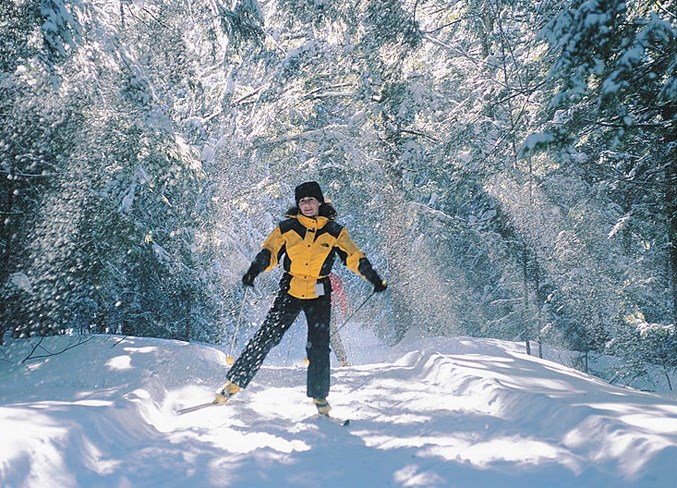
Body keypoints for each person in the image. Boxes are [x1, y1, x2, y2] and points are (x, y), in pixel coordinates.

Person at [215, 181, 387, 415]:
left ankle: (319, 397)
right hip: (291, 289)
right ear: (298, 204)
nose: (307, 205)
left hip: (319, 292)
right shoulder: (287, 228)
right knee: (267, 336)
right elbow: (270, 252)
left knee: (318, 346)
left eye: (311, 200)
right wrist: (253, 271)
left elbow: (354, 257)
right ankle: (233, 384)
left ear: (319, 202)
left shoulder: (334, 232)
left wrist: (373, 278)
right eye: (302, 201)